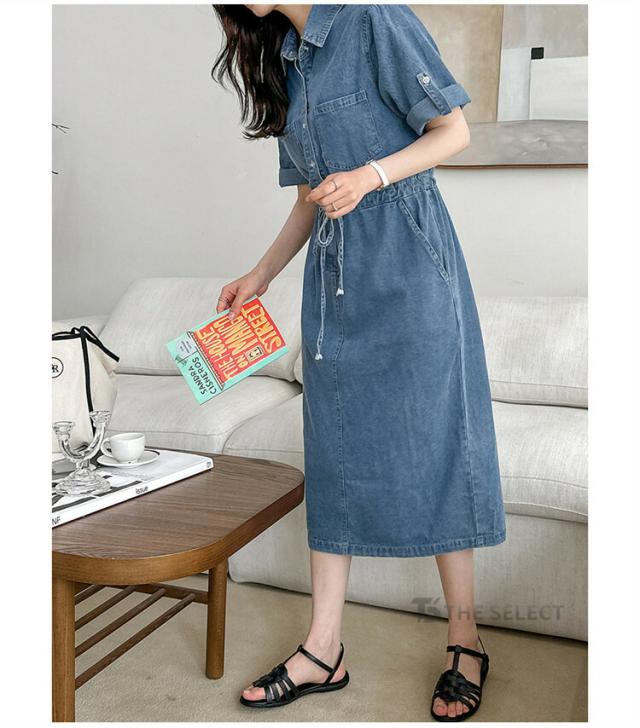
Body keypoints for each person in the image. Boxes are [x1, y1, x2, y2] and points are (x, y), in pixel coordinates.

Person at [211, 4, 506, 721]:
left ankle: (465, 640)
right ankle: (323, 648)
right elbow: (311, 200)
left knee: (437, 443)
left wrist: (371, 175)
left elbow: (454, 130)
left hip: (411, 265)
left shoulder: (372, 17)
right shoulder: (285, 60)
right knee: (334, 452)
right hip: (335, 279)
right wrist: (260, 274)